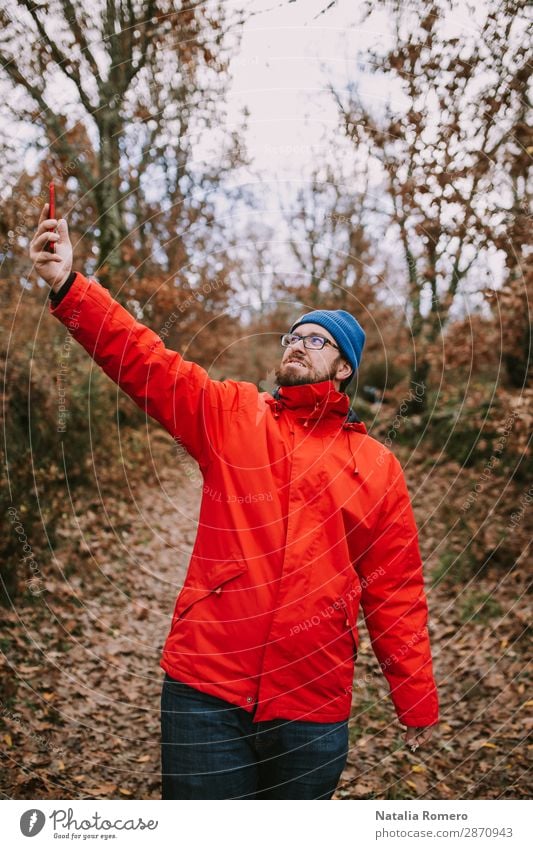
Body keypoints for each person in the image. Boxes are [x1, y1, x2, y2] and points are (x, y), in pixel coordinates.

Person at [30, 205, 439, 800]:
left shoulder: (377, 467)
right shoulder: (235, 414)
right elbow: (147, 361)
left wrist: (415, 700)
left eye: (316, 340)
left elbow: (395, 590)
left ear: (345, 367)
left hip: (312, 703)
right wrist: (69, 284)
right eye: (293, 335)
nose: (298, 344)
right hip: (207, 688)